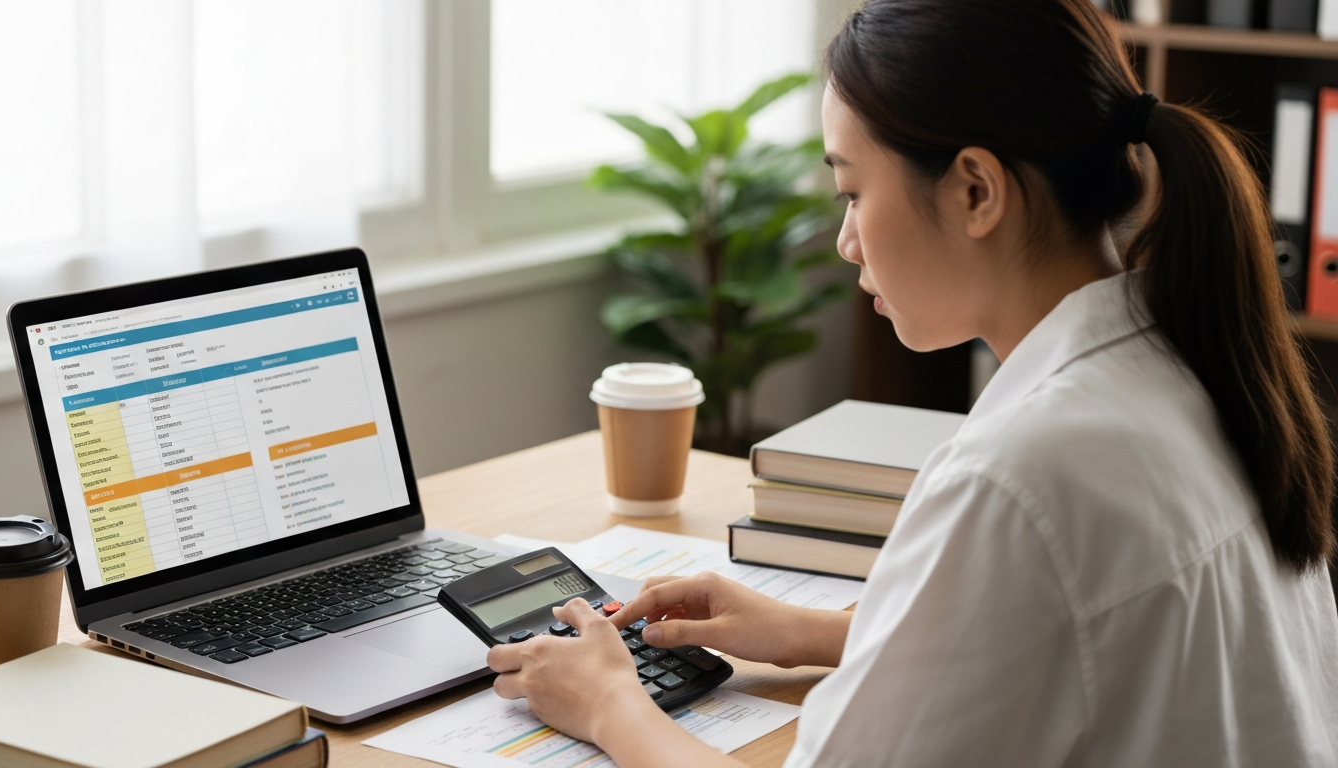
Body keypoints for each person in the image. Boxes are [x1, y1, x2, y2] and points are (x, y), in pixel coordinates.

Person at [485, 0, 1338, 764]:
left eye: (853, 191)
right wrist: (810, 632)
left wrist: (610, 704)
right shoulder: (1191, 366)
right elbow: (1070, 642)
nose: (845, 242)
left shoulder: (1019, 477)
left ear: (975, 190)